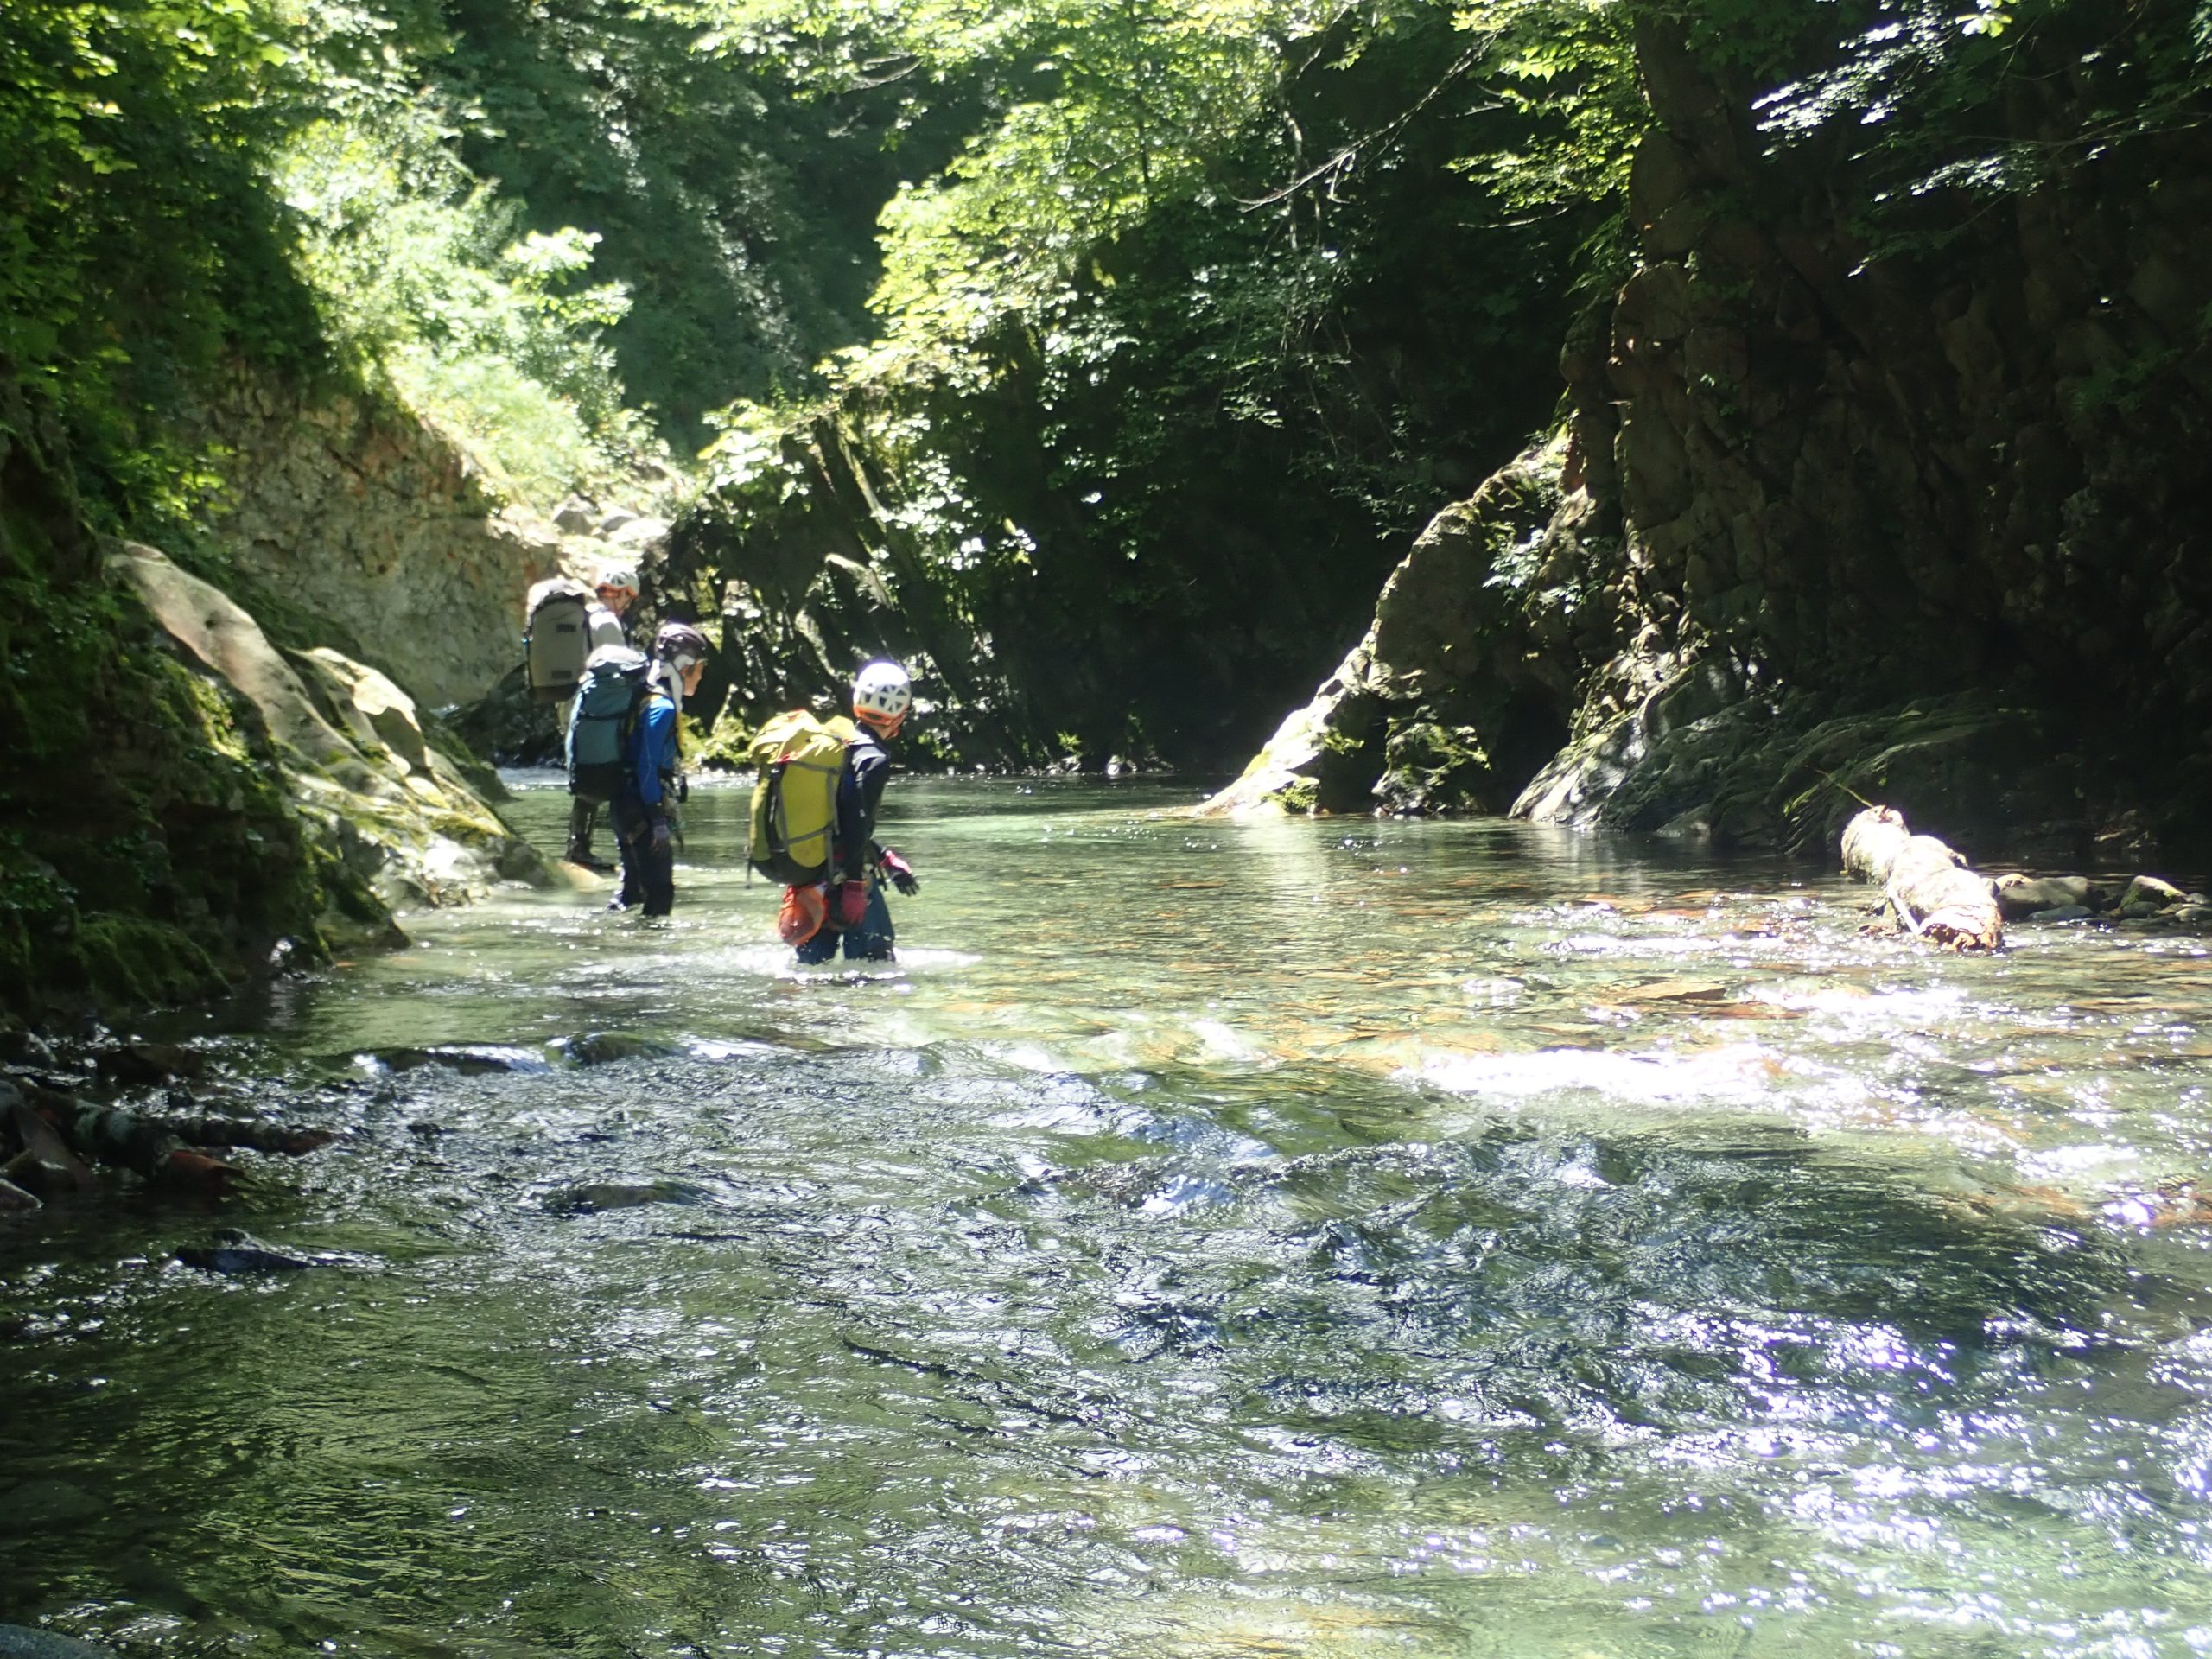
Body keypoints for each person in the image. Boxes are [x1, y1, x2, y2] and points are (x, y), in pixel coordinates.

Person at [797, 659, 921, 963]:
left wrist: (883, 857)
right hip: (847, 873)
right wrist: (854, 884)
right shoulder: (874, 759)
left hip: (814, 870)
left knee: (813, 966)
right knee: (877, 965)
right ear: (898, 712)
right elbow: (854, 823)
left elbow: (839, 817)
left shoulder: (841, 745)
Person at [610, 620, 709, 918]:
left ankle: (615, 947)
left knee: (632, 891)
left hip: (623, 803)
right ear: (684, 666)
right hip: (640, 807)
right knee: (660, 892)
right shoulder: (662, 707)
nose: (701, 677)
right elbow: (648, 764)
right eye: (700, 669)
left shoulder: (645, 693)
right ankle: (649, 959)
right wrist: (657, 820)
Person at [566, 563, 639, 868]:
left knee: (587, 772)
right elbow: (619, 667)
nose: (629, 605)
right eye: (629, 598)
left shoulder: (586, 616)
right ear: (621, 593)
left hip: (578, 705)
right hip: (602, 708)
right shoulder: (607, 621)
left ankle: (578, 845)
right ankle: (622, 846)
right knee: (611, 769)